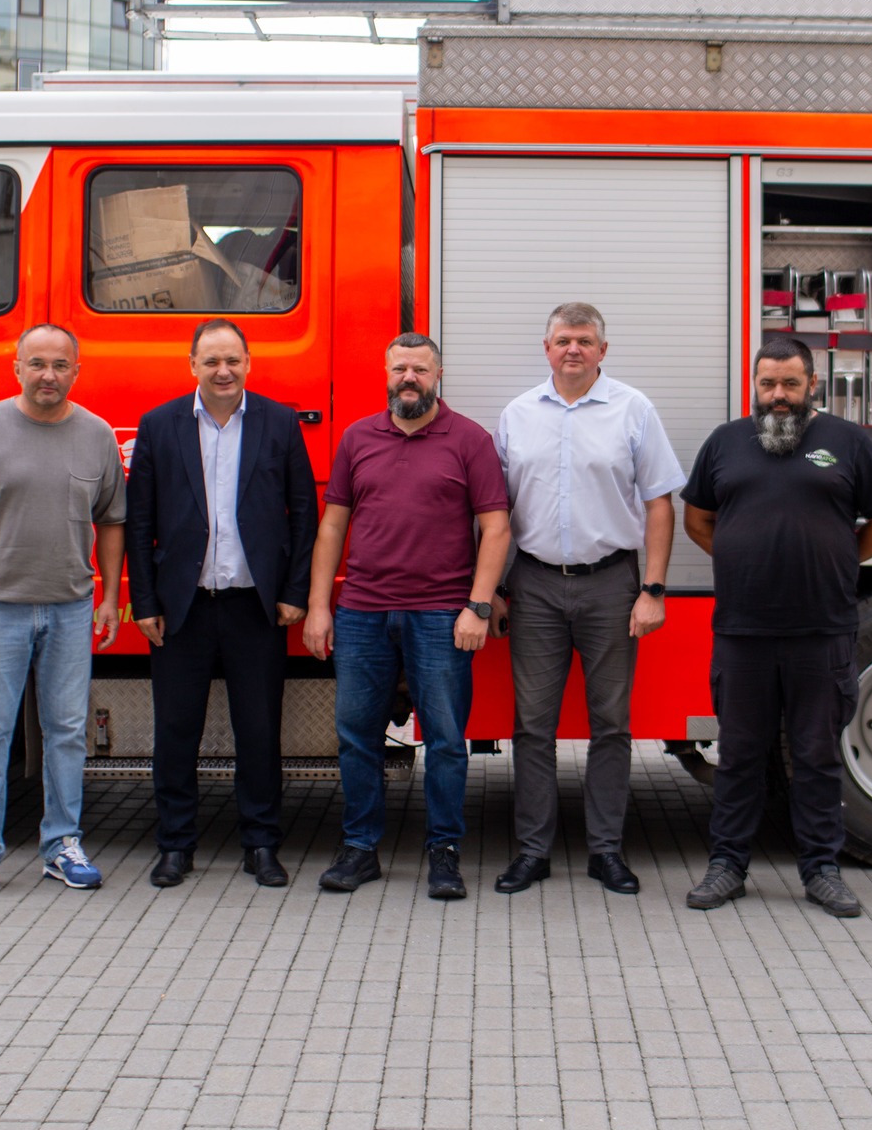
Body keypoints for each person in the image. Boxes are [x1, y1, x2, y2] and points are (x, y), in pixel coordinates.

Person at [678, 334, 872, 918]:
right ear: (755, 385)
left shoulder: (849, 442)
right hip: (743, 630)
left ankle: (822, 869)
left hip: (821, 629)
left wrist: (839, 560)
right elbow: (698, 519)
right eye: (768, 383)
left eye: (790, 384)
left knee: (816, 755)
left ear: (812, 385)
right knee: (740, 755)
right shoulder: (725, 442)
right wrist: (740, 557)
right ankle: (727, 865)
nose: (778, 394)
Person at [304, 333, 511, 900]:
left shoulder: (469, 440)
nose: (409, 379)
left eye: (420, 369)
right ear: (387, 374)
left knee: (445, 740)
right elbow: (332, 527)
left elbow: (496, 527)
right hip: (362, 612)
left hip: (442, 614)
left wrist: (477, 605)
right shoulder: (357, 438)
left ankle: (444, 852)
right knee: (356, 737)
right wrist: (320, 606)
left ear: (438, 375)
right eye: (400, 369)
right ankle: (359, 848)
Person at [491, 302, 683, 896]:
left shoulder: (634, 409)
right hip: (535, 585)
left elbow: (659, 504)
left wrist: (653, 590)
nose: (572, 349)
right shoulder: (517, 414)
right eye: (562, 340)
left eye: (583, 340)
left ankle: (606, 852)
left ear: (603, 349)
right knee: (532, 725)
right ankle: (532, 852)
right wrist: (492, 589)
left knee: (612, 725)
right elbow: (495, 512)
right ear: (546, 348)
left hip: (611, 585)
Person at [0, 323, 126, 900]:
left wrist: (110, 597)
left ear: (76, 372)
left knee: (66, 733)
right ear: (16, 368)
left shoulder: (96, 435)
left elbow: (112, 521)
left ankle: (62, 844)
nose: (48, 375)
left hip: (70, 609)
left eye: (60, 365)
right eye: (37, 364)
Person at [127, 318, 318, 890]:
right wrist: (144, 601)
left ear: (248, 363)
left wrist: (294, 592)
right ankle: (175, 845)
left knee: (258, 732)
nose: (223, 370)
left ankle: (261, 843)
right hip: (181, 607)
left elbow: (303, 513)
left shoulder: (279, 422)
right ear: (192, 365)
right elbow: (139, 521)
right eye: (211, 360)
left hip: (253, 608)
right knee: (175, 731)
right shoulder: (159, 425)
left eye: (232, 359)